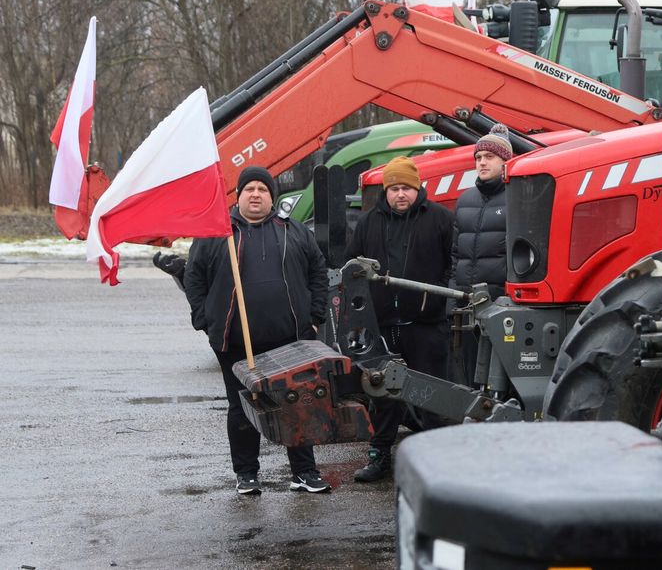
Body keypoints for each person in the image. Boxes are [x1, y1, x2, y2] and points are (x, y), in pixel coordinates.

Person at [184, 166, 331, 495]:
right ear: (239, 196)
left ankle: (304, 473)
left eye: (262, 190)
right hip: (235, 342)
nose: (255, 194)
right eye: (248, 189)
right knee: (241, 407)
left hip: (290, 340)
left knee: (298, 403)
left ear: (271, 196)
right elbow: (194, 277)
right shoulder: (217, 234)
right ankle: (247, 474)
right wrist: (206, 320)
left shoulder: (293, 232)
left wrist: (314, 318)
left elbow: (317, 274)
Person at [346, 156, 455, 482]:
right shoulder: (368, 223)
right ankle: (379, 456)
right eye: (394, 188)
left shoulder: (439, 219)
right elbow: (352, 266)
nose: (401, 194)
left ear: (417, 187)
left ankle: (438, 459)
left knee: (432, 393)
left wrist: (439, 302)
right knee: (383, 395)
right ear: (386, 190)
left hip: (425, 323)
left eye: (406, 187)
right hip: (382, 325)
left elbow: (455, 264)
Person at [451, 124, 511, 384]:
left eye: (489, 157)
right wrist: (453, 298)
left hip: (499, 302)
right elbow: (455, 254)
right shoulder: (465, 201)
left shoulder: (516, 198)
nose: (482, 163)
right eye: (478, 157)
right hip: (466, 302)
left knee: (500, 374)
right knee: (470, 373)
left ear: (505, 161)